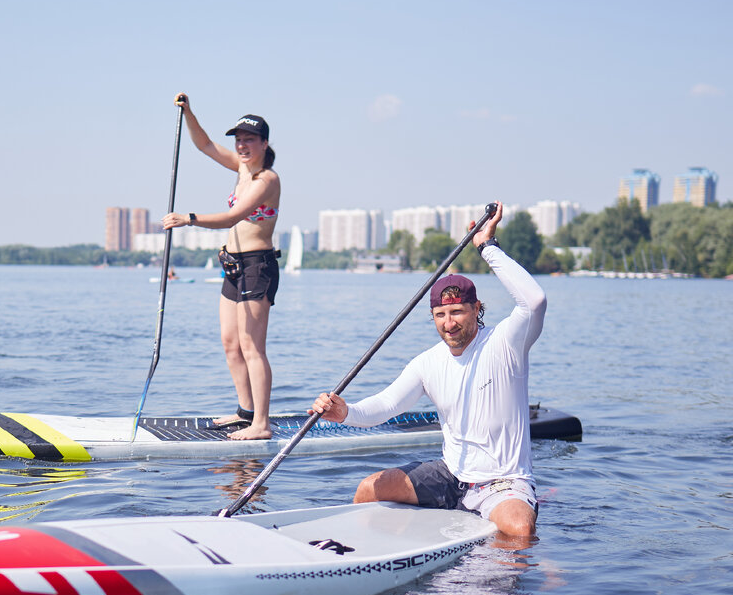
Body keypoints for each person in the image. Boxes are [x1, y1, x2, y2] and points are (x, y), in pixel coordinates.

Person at [309, 202, 547, 538]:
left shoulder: (507, 342)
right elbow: (387, 405)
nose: (449, 324)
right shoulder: (427, 362)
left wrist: (487, 247)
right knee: (367, 490)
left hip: (502, 481)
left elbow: (534, 301)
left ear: (477, 308)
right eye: (440, 315)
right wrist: (344, 411)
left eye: (458, 312)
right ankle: (361, 556)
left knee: (520, 530)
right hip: (450, 477)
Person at [162, 93, 281, 441]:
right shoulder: (242, 169)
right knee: (230, 343)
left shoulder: (266, 180)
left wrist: (190, 219)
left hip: (258, 266)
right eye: (239, 140)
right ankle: (245, 413)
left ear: (264, 143)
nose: (242, 145)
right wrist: (189, 112)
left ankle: (262, 423)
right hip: (232, 265)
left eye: (249, 140)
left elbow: (233, 216)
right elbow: (205, 146)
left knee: (251, 345)